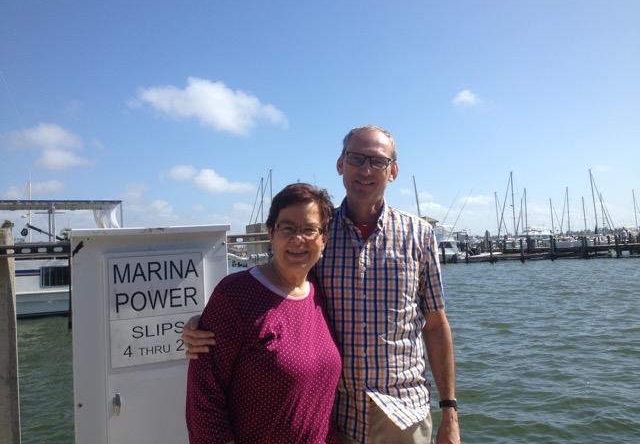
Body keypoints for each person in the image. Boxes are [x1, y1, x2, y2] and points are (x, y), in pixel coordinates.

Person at [184, 126, 460, 444]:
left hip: (403, 417)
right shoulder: (319, 233)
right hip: (335, 418)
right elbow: (279, 293)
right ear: (340, 164)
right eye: (356, 158)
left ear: (393, 171)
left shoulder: (420, 236)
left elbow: (436, 325)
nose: (366, 169)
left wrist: (450, 413)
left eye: (378, 161)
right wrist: (206, 325)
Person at [185, 183, 341, 444]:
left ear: (323, 238)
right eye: (287, 228)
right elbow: (204, 397)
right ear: (271, 232)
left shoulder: (321, 292)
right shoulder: (236, 294)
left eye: (309, 229)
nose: (297, 239)